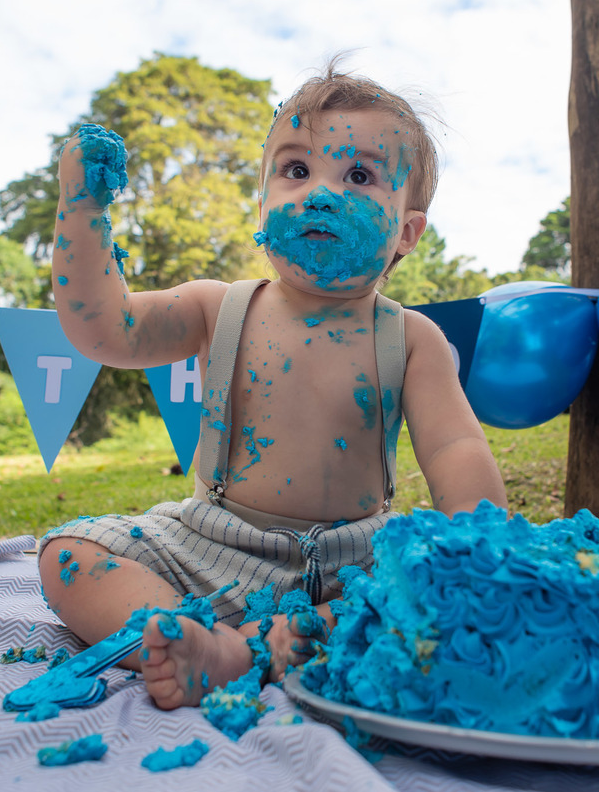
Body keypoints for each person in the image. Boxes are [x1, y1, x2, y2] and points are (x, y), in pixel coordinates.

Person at [38, 60, 507, 710]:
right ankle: (188, 631)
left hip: (351, 566)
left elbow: (455, 445)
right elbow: (106, 331)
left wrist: (481, 545)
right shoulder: (219, 307)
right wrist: (81, 207)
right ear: (262, 201)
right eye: (296, 169)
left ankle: (257, 645)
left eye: (360, 176)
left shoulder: (411, 338)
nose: (320, 193)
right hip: (212, 541)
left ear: (407, 231)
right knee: (69, 556)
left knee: (409, 604)